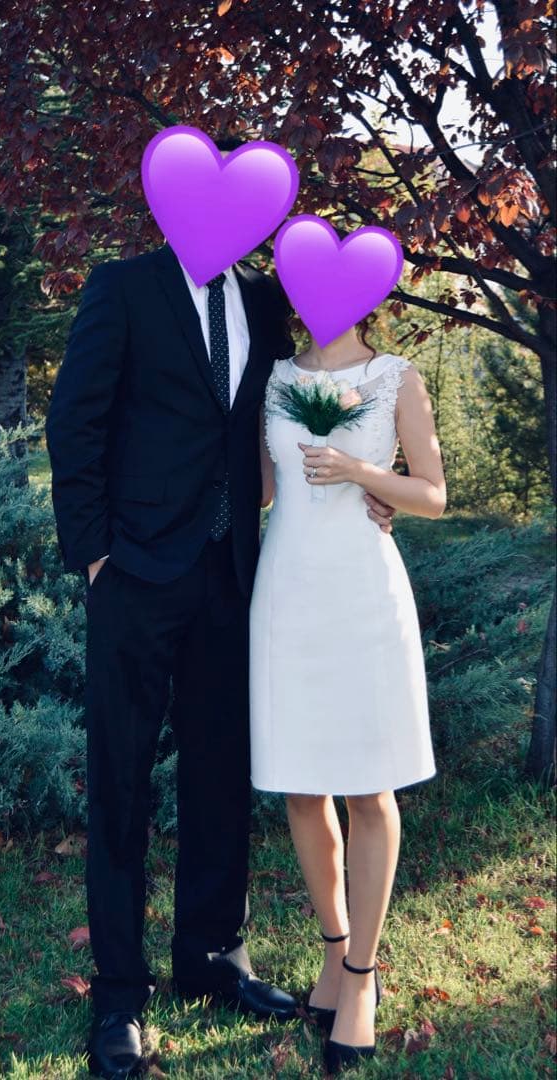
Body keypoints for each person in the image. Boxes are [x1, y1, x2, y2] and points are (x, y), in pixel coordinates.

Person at [45, 138, 307, 1072]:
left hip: (231, 575)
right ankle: (120, 995)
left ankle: (211, 957)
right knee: (121, 782)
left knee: (221, 772)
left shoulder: (263, 302)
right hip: (134, 576)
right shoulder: (122, 288)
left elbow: (277, 420)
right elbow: (74, 421)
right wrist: (94, 555)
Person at [249, 325, 445, 1074]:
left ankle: (362, 974)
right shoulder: (273, 378)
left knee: (369, 788)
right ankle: (334, 949)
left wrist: (364, 474)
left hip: (363, 593)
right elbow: (262, 488)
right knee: (302, 788)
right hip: (287, 590)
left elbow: (432, 495)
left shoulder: (398, 377)